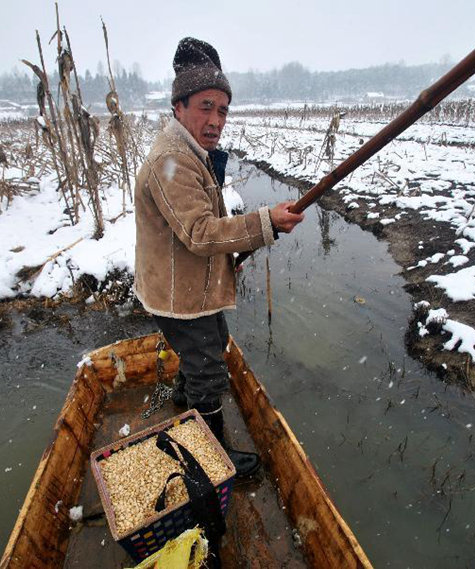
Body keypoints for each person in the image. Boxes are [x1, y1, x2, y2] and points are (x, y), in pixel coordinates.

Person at [134, 37, 304, 477]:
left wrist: (236, 250)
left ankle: (181, 399)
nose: (215, 120)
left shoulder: (193, 153)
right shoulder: (170, 160)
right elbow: (199, 232)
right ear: (179, 107)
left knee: (208, 351)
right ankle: (212, 460)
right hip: (180, 295)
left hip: (190, 283)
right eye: (205, 107)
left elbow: (205, 224)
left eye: (223, 110)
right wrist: (264, 222)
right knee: (209, 369)